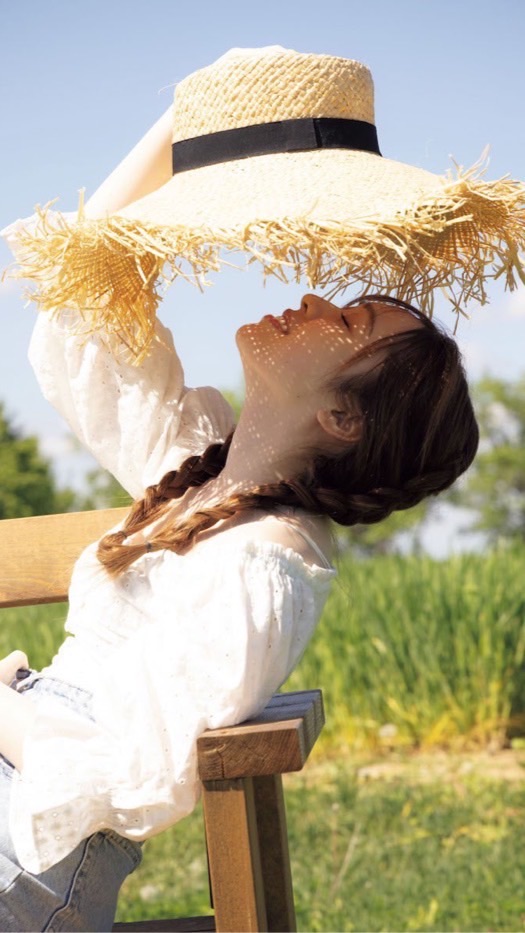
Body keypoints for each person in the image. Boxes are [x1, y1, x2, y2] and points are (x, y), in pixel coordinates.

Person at [1, 43, 521, 931]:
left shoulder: (268, 566)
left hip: (30, 852)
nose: (315, 301)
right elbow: (79, 311)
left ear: (345, 421)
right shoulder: (199, 466)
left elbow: (147, 770)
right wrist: (192, 126)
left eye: (348, 320)